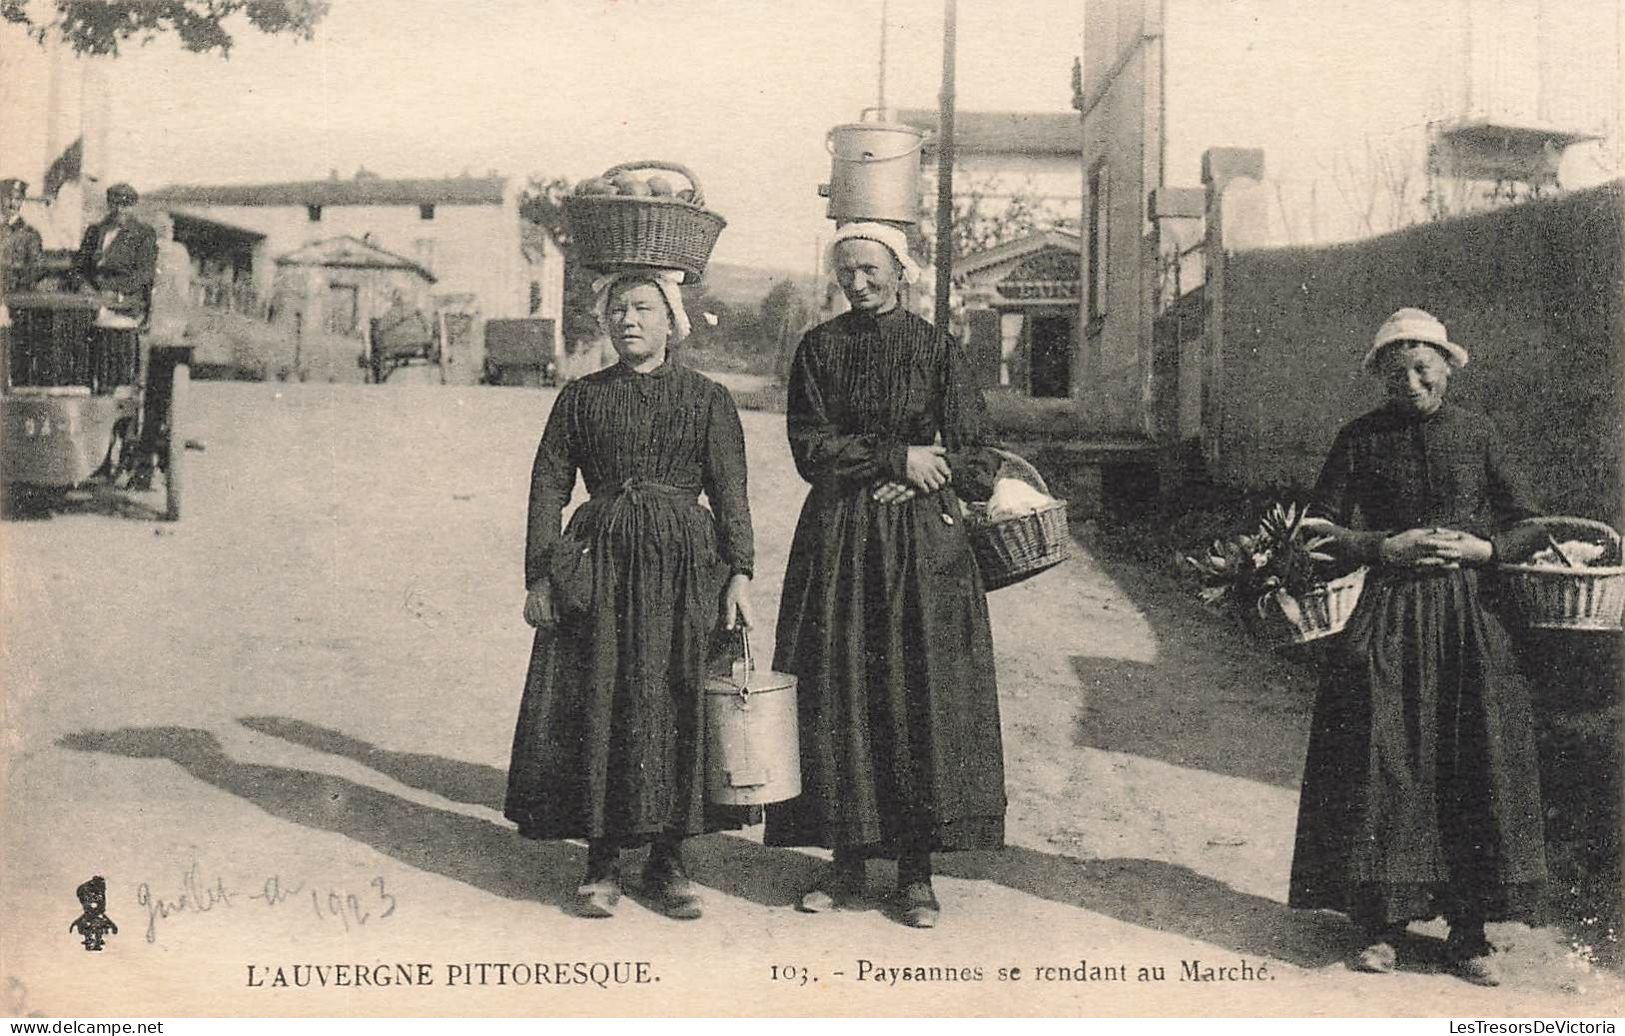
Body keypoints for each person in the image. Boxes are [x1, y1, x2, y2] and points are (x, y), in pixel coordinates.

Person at [1288, 307, 1547, 987]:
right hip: (1389, 616)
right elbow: (1315, 529)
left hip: (1469, 621)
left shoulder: (1477, 434)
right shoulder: (1359, 439)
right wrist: (1380, 546)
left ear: (1446, 367)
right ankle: (1378, 925)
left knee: (1471, 756)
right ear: (1378, 375)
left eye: (1421, 366)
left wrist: (1485, 548)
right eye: (1394, 370)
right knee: (1379, 754)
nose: (1409, 381)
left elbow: (1528, 522)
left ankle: (1469, 933)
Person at [764, 221, 1005, 928]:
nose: (858, 283)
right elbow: (810, 449)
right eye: (847, 273)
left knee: (914, 692)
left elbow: (979, 459)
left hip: (922, 551)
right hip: (839, 542)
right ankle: (841, 864)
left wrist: (933, 474)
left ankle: (915, 874)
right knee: (840, 689)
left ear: (901, 272)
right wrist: (897, 459)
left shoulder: (935, 349)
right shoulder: (820, 349)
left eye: (870, 270)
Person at [504, 268, 756, 920]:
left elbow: (732, 497)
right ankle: (601, 862)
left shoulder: (708, 399)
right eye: (618, 310)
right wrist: (539, 575)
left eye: (643, 308)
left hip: (683, 572)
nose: (629, 321)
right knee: (601, 703)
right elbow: (547, 488)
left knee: (675, 703)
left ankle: (668, 861)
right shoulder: (580, 398)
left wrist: (741, 574)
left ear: (672, 321)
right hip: (602, 569)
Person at [74, 182, 158, 319]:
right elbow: (78, 266)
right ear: (109, 205)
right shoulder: (94, 231)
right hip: (92, 294)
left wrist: (114, 289)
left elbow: (144, 273)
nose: (119, 210)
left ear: (133, 207)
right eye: (115, 204)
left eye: (125, 205)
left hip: (124, 299)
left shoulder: (143, 234)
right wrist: (82, 285)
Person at [0, 177, 43, 298]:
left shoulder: (30, 235)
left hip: (16, 296)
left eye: (17, 199)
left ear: (22, 202)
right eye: (8, 197)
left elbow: (36, 270)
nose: (12, 203)